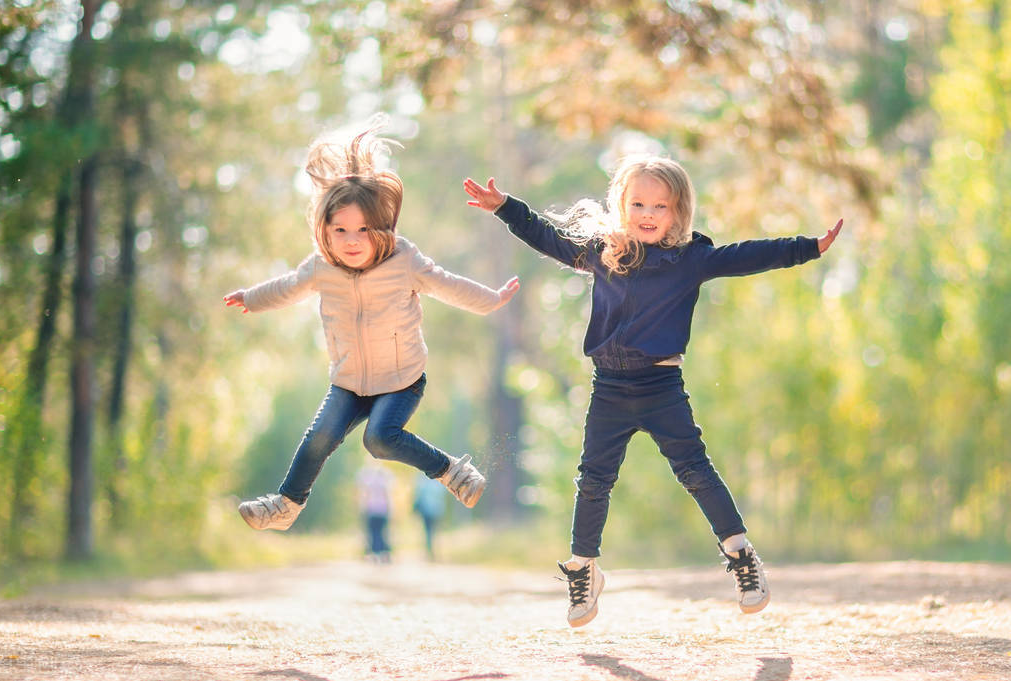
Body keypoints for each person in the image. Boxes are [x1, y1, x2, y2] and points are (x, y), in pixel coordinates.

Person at [464, 155, 842, 627]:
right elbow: (546, 235)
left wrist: (808, 247)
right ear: (621, 204)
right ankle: (584, 569)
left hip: (661, 386)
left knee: (695, 470)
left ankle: (741, 556)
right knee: (594, 481)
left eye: (659, 206)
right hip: (609, 389)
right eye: (638, 203)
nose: (647, 213)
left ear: (678, 211)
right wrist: (505, 207)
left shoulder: (691, 260)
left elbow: (747, 255)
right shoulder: (602, 252)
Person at [225, 115, 520, 533]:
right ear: (325, 230)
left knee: (380, 439)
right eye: (340, 229)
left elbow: (446, 284)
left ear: (380, 227)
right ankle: (286, 505)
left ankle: (452, 472)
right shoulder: (322, 267)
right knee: (319, 438)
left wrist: (491, 300)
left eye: (362, 229)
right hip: (348, 381)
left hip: (400, 380)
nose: (351, 239)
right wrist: (251, 298)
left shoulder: (404, 261)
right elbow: (289, 286)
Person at [357, 460, 394, 562]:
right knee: (382, 532)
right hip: (382, 509)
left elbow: (365, 494)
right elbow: (387, 495)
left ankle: (376, 553)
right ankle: (383, 553)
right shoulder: (384, 479)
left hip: (372, 509)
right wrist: (390, 508)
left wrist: (362, 507)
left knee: (373, 533)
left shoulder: (367, 478)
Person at [412, 475, 447, 560]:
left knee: (428, 532)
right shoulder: (439, 482)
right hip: (437, 510)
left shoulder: (422, 480)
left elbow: (418, 495)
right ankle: (435, 552)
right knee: (435, 532)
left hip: (426, 510)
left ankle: (429, 552)